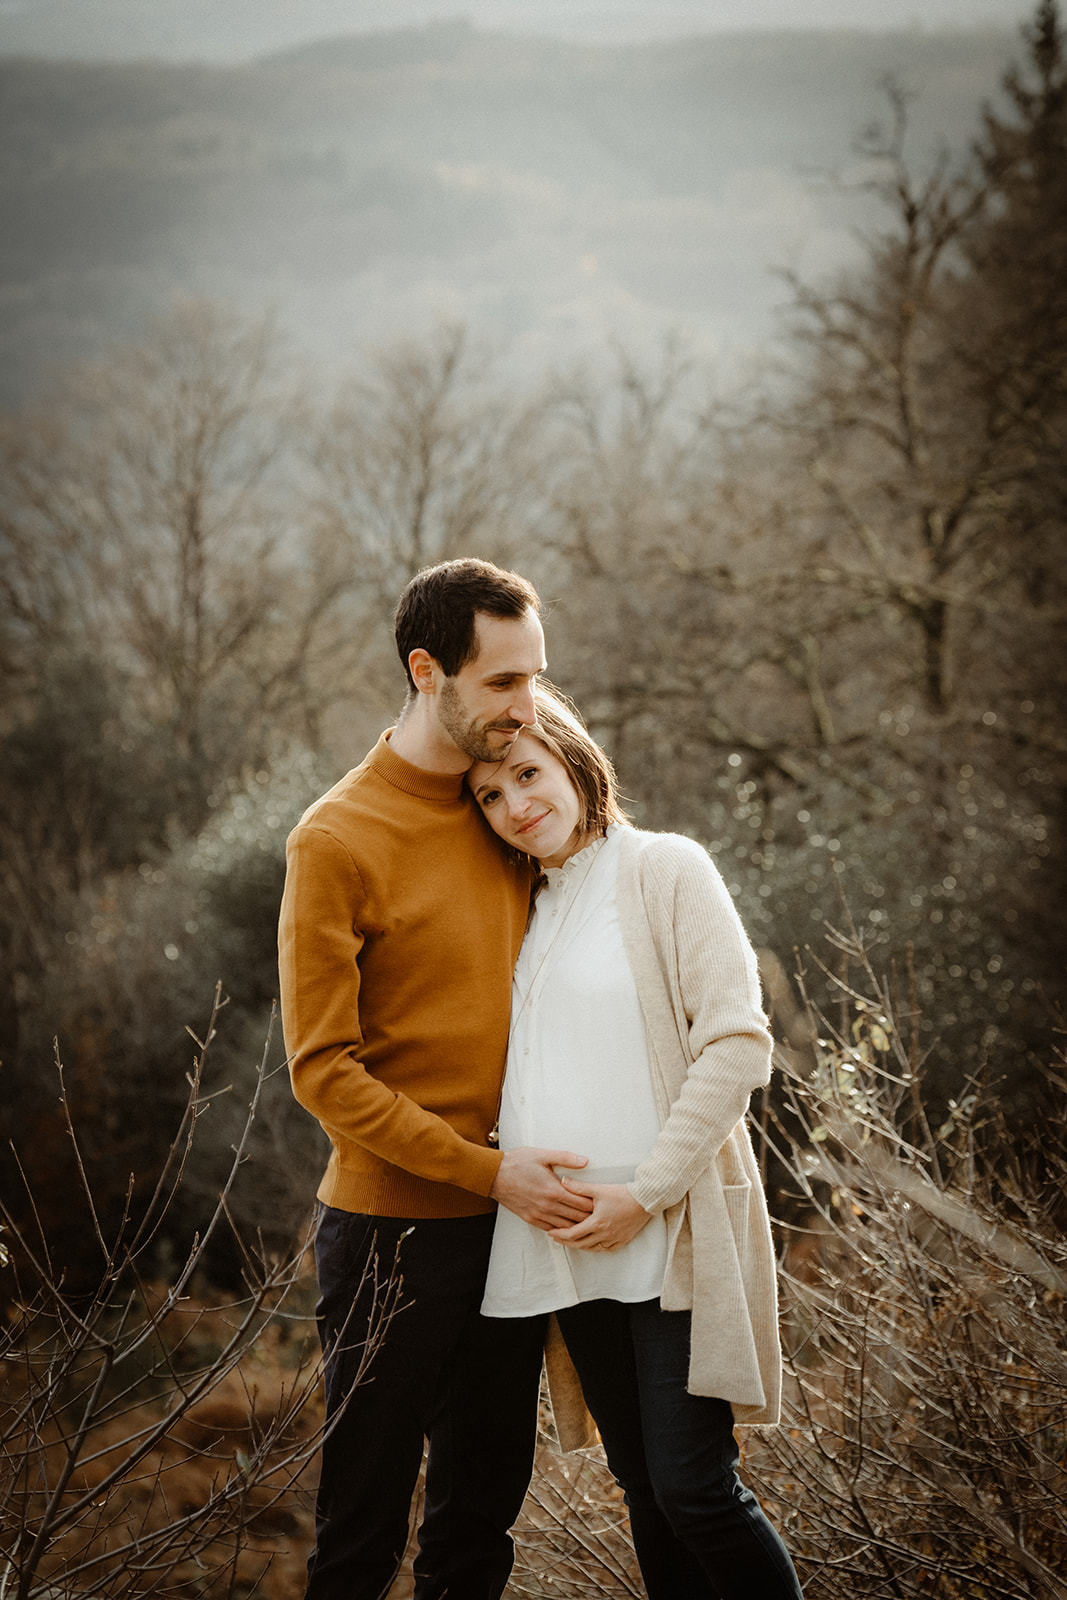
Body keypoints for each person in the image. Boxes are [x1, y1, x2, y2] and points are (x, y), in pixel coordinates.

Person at [277, 560, 595, 1600]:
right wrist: (486, 1173)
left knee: (477, 1530)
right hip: (390, 1238)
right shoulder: (334, 839)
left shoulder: (504, 804)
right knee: (360, 1538)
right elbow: (322, 1071)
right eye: (502, 681)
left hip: (514, 1226)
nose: (527, 706)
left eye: (535, 677)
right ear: (427, 671)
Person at [468, 687, 805, 1600]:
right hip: (568, 1236)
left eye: (527, 776)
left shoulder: (665, 870)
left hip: (667, 1228)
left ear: (574, 759)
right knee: (645, 1489)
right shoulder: (521, 906)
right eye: (490, 798)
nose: (515, 807)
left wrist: (646, 1193)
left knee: (696, 1489)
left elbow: (737, 1041)